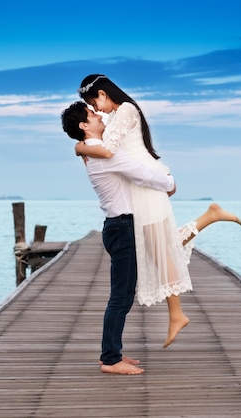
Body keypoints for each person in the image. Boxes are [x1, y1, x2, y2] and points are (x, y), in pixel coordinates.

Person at [76, 74, 241, 348]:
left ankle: (177, 313)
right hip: (140, 184)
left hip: (146, 182)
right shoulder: (115, 117)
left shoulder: (126, 110)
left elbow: (106, 151)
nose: (96, 110)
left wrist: (78, 146)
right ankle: (208, 219)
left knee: (157, 248)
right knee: (157, 248)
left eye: (94, 103)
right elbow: (103, 150)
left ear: (104, 94)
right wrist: (83, 145)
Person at [61, 101, 178, 374]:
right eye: (92, 114)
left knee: (122, 295)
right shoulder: (103, 155)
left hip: (119, 227)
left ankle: (113, 354)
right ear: (83, 125)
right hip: (122, 227)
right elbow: (144, 174)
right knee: (120, 297)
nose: (99, 115)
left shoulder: (93, 151)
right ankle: (110, 359)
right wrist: (170, 183)